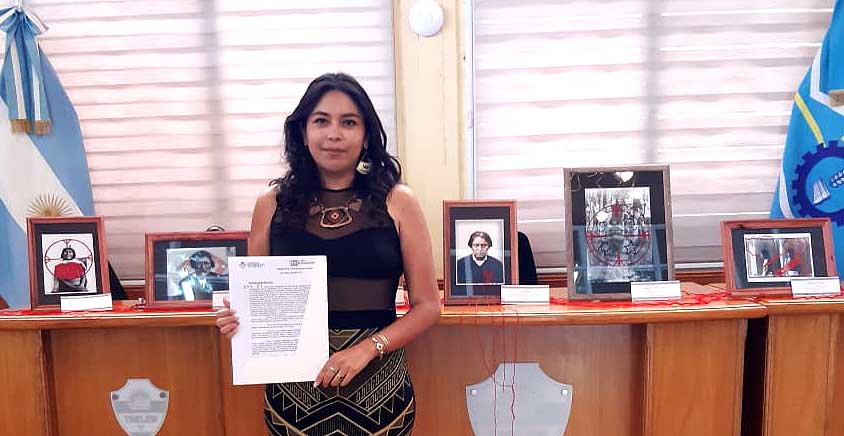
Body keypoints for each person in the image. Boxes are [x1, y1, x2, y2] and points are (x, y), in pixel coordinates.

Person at [215, 73, 440, 435]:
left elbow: (428, 306)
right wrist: (239, 319)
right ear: (303, 132)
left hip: (380, 394)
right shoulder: (270, 204)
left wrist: (367, 349)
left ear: (366, 135)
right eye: (321, 121)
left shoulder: (399, 201)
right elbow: (258, 298)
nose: (334, 134)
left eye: (348, 122)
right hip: (293, 399)